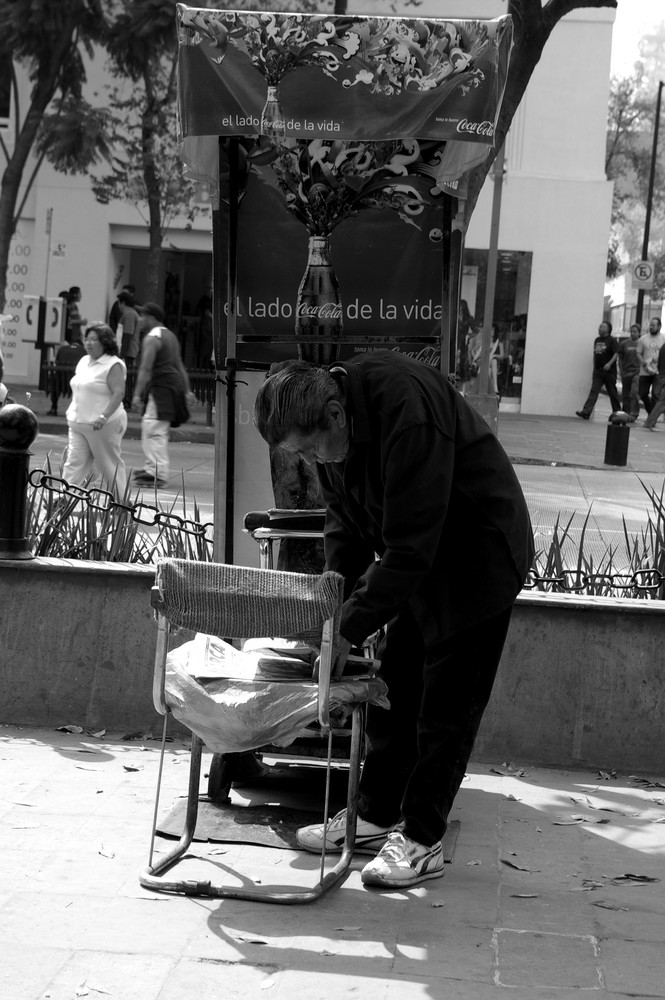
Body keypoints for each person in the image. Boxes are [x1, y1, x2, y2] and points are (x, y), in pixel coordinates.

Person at [254, 352, 534, 890]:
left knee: (446, 706)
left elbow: (408, 548)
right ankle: (374, 815)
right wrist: (331, 616)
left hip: (478, 553)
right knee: (395, 691)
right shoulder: (334, 432)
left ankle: (424, 840)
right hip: (423, 557)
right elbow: (346, 528)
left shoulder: (407, 409)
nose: (314, 461)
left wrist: (351, 629)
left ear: (335, 414)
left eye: (311, 448)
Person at [131, 302, 196, 488]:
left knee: (153, 428)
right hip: (172, 386)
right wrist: (187, 390)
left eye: (143, 316)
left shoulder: (152, 338)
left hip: (161, 387)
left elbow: (145, 368)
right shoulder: (170, 336)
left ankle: (156, 472)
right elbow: (179, 365)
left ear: (152, 317)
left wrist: (136, 395)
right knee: (155, 427)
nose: (141, 320)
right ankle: (153, 467)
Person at [61, 323, 128, 497]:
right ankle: (65, 498)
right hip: (78, 423)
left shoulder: (113, 364)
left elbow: (119, 392)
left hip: (102, 425)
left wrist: (104, 416)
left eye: (94, 339)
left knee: (108, 465)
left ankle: (121, 504)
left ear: (105, 342)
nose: (89, 343)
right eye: (87, 339)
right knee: (74, 462)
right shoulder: (84, 361)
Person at [575, 320, 620, 420]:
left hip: (609, 372)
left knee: (612, 392)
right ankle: (586, 411)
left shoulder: (612, 340)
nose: (599, 328)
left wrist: (609, 364)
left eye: (602, 327)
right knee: (594, 391)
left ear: (608, 329)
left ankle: (617, 412)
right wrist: (594, 367)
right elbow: (595, 354)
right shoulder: (597, 340)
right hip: (598, 371)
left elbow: (616, 353)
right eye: (599, 326)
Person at [607, 324, 641, 421]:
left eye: (635, 332)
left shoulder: (641, 343)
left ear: (639, 333)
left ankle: (634, 413)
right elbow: (620, 358)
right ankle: (626, 411)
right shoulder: (624, 343)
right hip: (626, 371)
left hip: (637, 372)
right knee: (625, 394)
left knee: (634, 392)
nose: (633, 333)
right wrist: (621, 371)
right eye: (631, 331)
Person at [46, 334, 86, 416]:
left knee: (55, 379)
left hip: (61, 383)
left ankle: (54, 408)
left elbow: (57, 363)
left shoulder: (62, 349)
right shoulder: (83, 351)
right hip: (77, 383)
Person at [636, 317, 665, 416]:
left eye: (653, 325)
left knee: (656, 394)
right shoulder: (643, 339)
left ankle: (652, 417)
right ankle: (651, 412)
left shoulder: (663, 338)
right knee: (642, 393)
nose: (651, 327)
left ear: (659, 326)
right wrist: (643, 362)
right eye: (650, 325)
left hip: (658, 371)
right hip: (645, 371)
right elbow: (638, 353)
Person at [643, 339, 665, 431]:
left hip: (662, 375)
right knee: (662, 402)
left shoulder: (664, 346)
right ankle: (649, 422)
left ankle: (649, 422)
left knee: (662, 401)